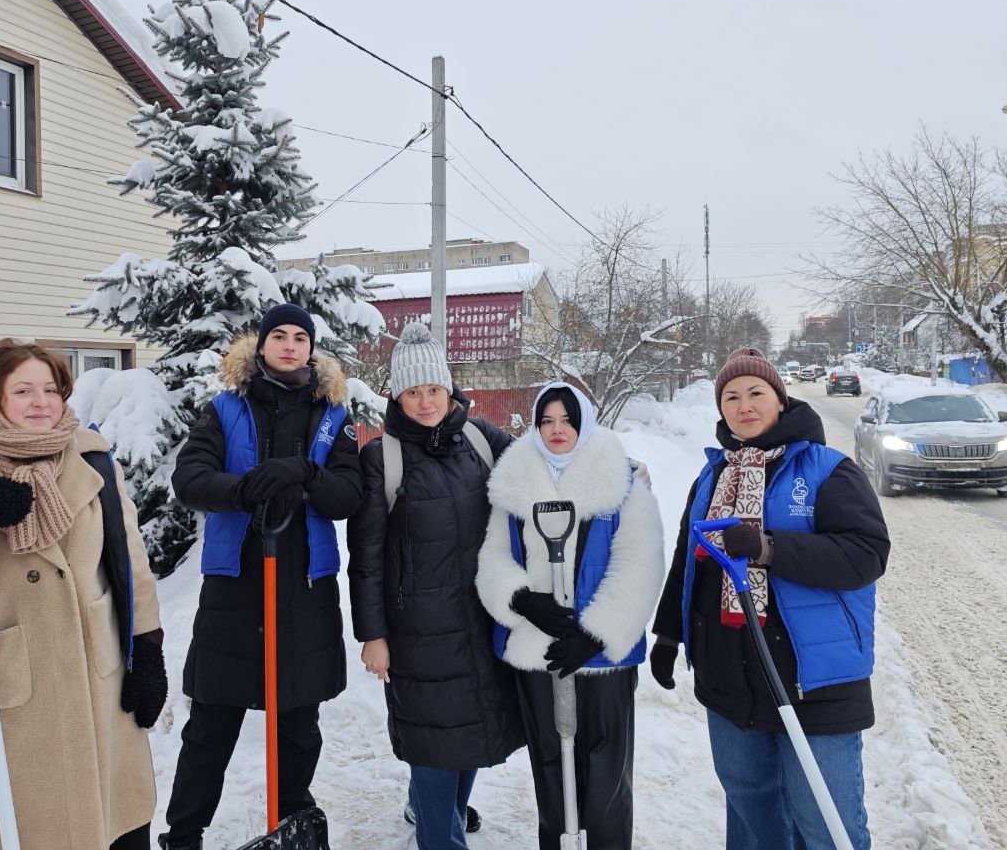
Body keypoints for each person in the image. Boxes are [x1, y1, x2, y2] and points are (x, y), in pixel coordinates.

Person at [0, 338, 167, 850]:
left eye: (51, 389)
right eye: (23, 390)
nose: (41, 402)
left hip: (95, 686)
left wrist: (149, 652)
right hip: (8, 699)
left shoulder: (95, 463)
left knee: (110, 823)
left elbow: (131, 563)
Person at [651, 347, 889, 850]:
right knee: (754, 819)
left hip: (813, 681)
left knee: (825, 826)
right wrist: (669, 634)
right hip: (730, 680)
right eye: (731, 397)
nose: (744, 406)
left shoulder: (827, 469)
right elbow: (687, 561)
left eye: (756, 393)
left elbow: (865, 555)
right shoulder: (712, 475)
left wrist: (768, 548)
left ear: (780, 400)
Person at [161, 304, 365, 850]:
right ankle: (184, 835)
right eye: (280, 335)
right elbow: (191, 478)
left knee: (298, 726)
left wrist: (306, 472)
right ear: (261, 345)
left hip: (304, 587)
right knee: (211, 724)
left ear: (312, 349)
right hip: (235, 588)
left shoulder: (332, 417)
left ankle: (292, 823)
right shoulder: (224, 410)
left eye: (302, 337)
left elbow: (349, 495)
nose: (291, 345)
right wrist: (246, 489)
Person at [346, 321, 525, 850]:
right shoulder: (383, 459)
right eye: (413, 392)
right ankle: (439, 836)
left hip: (482, 616)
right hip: (419, 633)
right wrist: (372, 636)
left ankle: (438, 810)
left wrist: (611, 470)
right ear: (397, 395)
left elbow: (543, 463)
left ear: (449, 390)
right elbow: (367, 558)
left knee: (471, 735)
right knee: (433, 745)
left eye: (434, 390)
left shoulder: (480, 438)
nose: (425, 402)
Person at [475, 383, 664, 850]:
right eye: (547, 421)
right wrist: (520, 599)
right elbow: (495, 555)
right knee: (550, 762)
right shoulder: (513, 481)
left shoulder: (621, 481)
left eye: (567, 420)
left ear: (585, 423)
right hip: (538, 649)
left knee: (604, 769)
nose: (558, 431)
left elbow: (640, 561)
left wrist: (596, 634)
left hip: (601, 658)